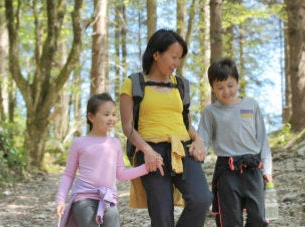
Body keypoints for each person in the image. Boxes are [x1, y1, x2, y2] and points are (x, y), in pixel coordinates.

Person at [119, 28, 211, 227]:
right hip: (151, 153)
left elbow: (186, 124)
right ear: (156, 55)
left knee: (202, 199)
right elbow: (127, 127)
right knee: (162, 216)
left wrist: (198, 139)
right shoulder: (134, 83)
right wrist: (147, 151)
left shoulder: (181, 85)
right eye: (173, 57)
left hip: (182, 150)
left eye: (179, 58)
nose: (176, 63)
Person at [55, 93, 162, 227]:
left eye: (113, 114)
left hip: (109, 199)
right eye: (106, 114)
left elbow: (121, 174)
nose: (111, 118)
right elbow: (68, 175)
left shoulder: (115, 143)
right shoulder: (79, 143)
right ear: (91, 117)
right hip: (84, 199)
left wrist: (147, 167)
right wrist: (60, 200)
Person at [198, 57, 273, 227]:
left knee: (260, 218)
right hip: (227, 171)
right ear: (213, 89)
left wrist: (267, 169)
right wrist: (195, 156)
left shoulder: (251, 105)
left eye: (230, 85)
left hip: (253, 168)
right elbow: (202, 139)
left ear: (237, 82)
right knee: (229, 219)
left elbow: (262, 139)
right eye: (220, 87)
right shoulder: (210, 112)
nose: (226, 91)